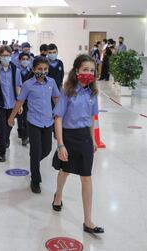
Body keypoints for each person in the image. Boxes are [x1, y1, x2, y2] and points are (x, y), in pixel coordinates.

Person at [52, 54, 104, 235]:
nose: (88, 73)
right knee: (65, 171)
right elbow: (58, 119)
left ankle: (88, 220)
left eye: (92, 70)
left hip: (84, 138)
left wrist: (94, 140)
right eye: (85, 70)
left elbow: (91, 118)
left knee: (86, 177)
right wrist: (60, 145)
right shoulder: (67, 92)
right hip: (68, 137)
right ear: (76, 71)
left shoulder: (92, 93)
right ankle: (58, 195)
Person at [8, 56, 60, 194]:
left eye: (45, 69)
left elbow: (56, 98)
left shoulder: (52, 82)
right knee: (36, 151)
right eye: (39, 69)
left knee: (47, 149)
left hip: (48, 122)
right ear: (33, 69)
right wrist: (12, 117)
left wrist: (61, 115)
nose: (42, 72)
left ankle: (34, 161)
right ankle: (35, 180)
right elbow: (19, 102)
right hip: (33, 122)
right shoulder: (28, 85)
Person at [0, 46, 22, 162]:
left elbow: (17, 87)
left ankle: (6, 139)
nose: (5, 58)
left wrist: (20, 104)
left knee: (10, 124)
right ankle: (2, 152)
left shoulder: (16, 71)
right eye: (3, 56)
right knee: (1, 127)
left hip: (12, 104)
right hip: (0, 104)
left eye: (7, 55)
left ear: (10, 56)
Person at [17, 52, 32, 146]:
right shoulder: (16, 72)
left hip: (29, 99)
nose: (25, 61)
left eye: (27, 59)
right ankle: (21, 132)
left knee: (26, 118)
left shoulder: (31, 72)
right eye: (23, 59)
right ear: (19, 60)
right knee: (19, 117)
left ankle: (25, 137)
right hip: (19, 98)